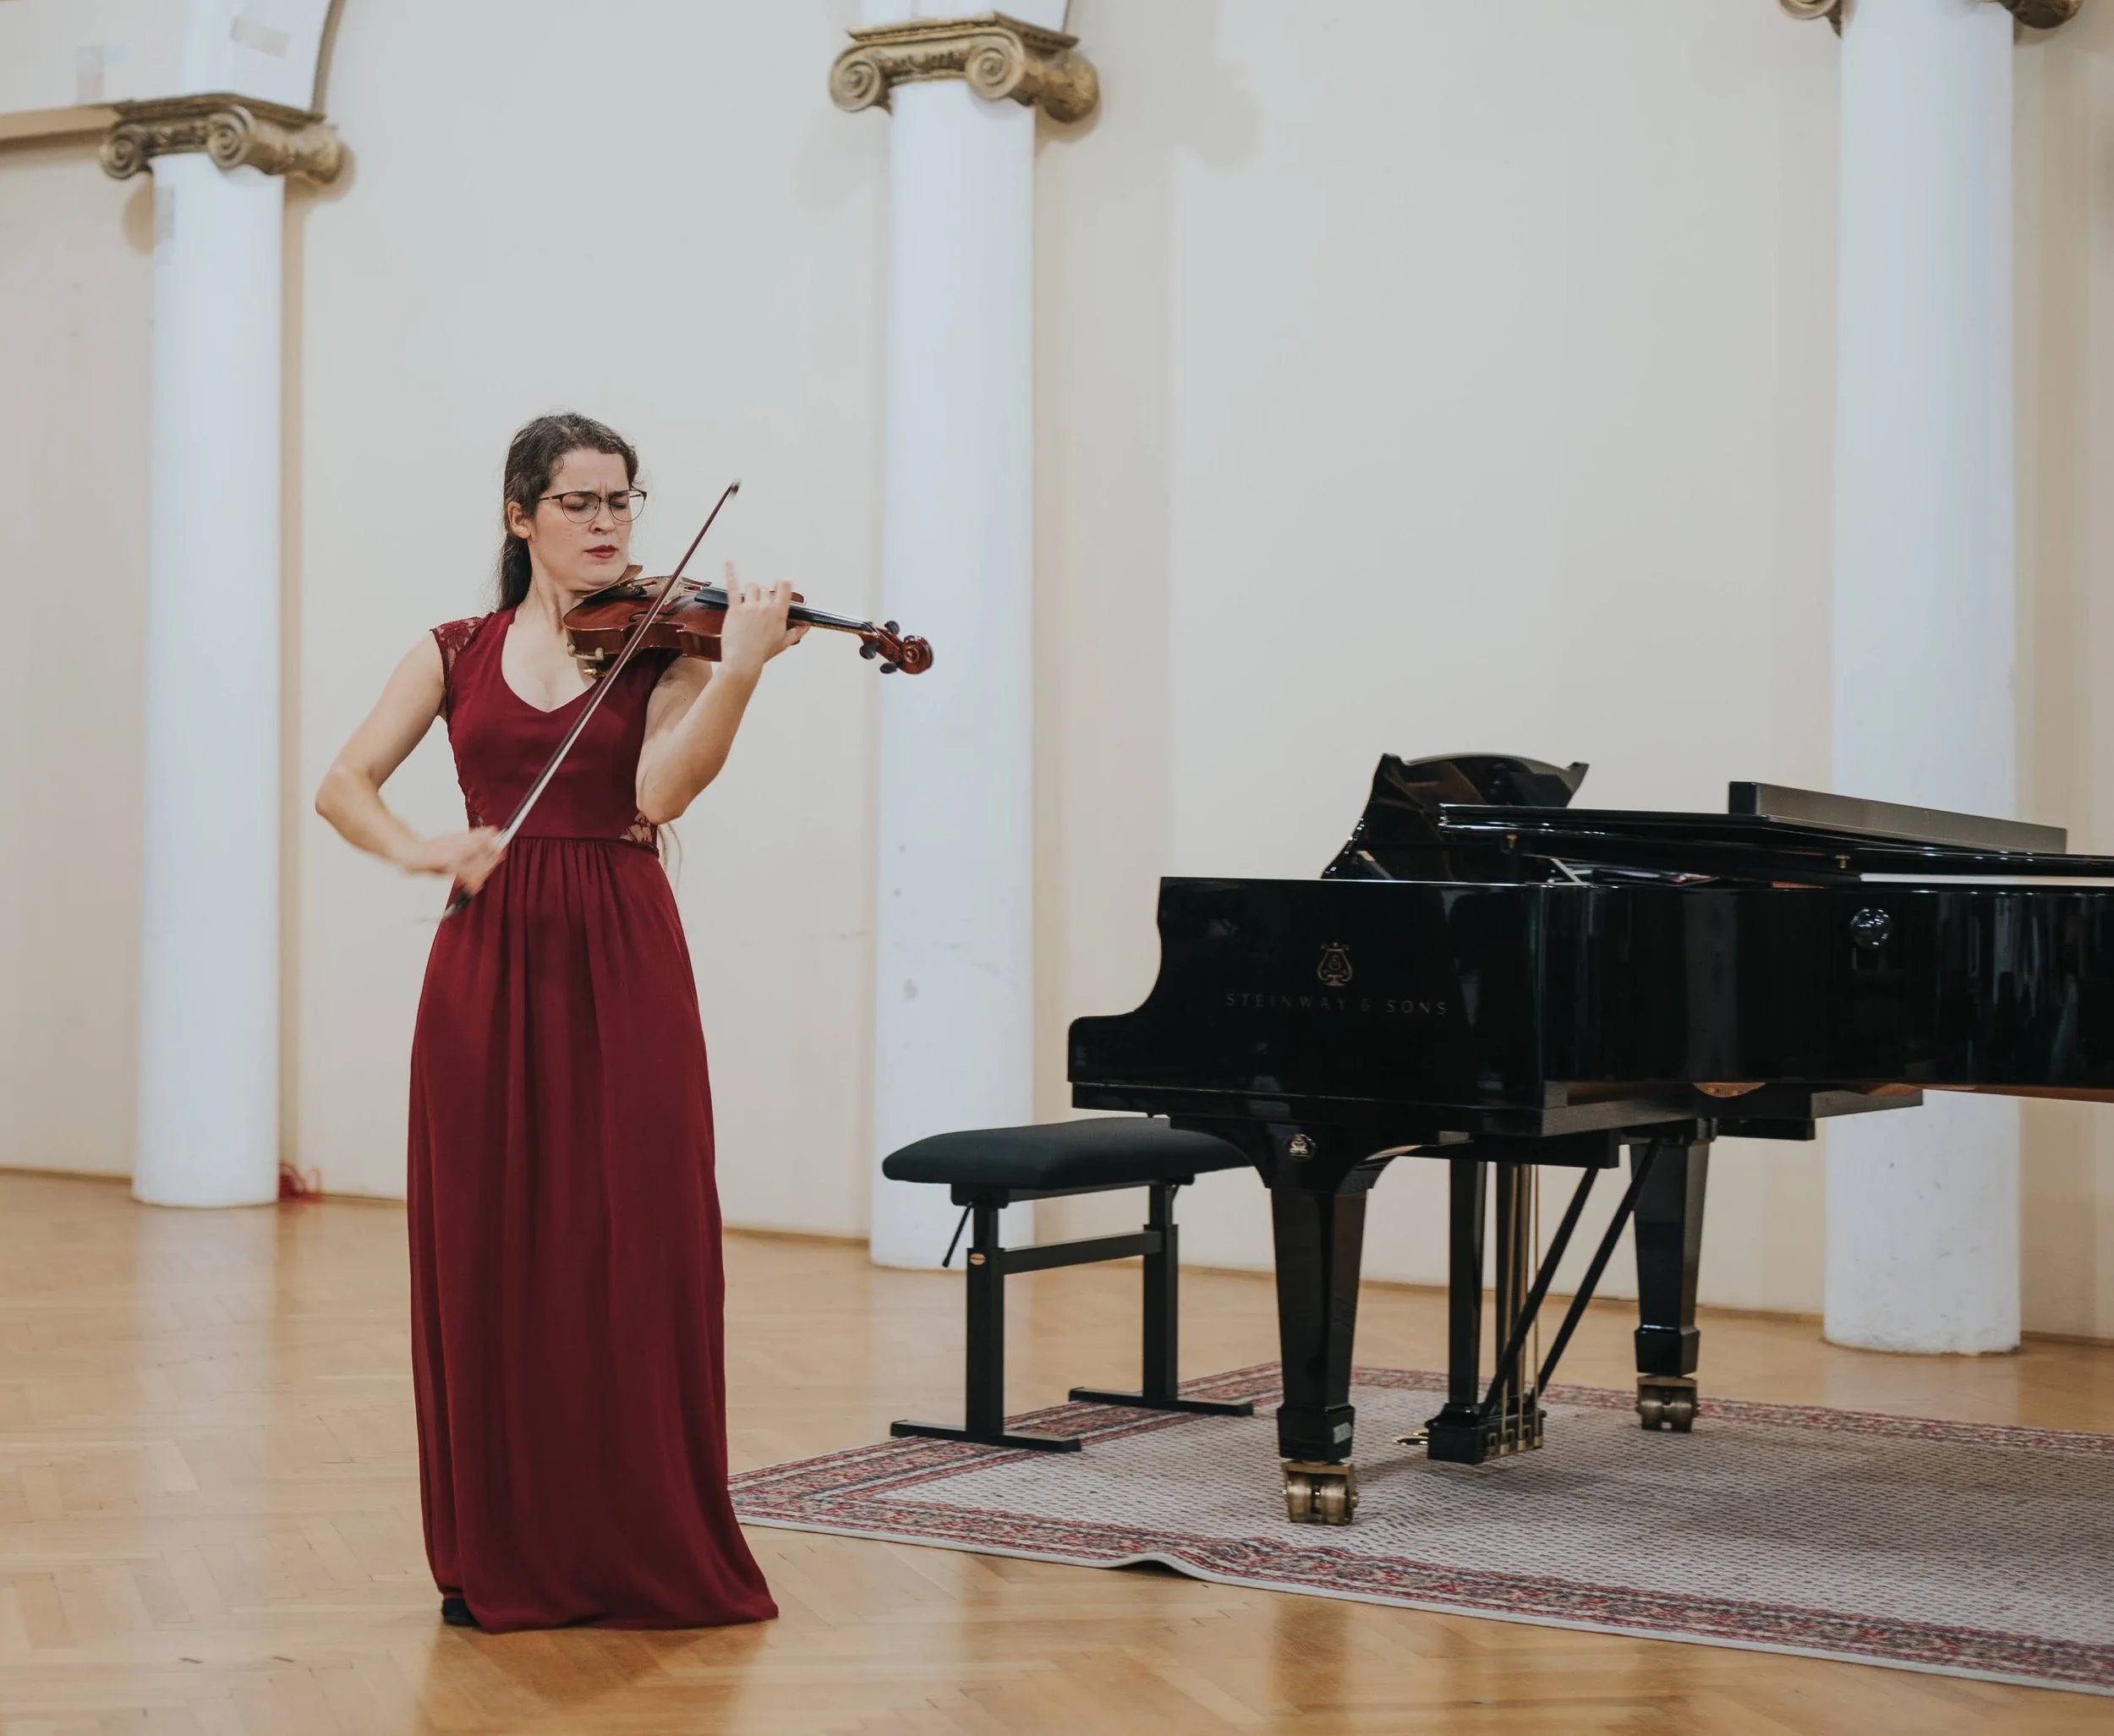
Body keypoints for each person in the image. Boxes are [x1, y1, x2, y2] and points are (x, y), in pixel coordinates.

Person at [314, 412, 802, 1631]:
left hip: (623, 946)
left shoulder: (663, 645)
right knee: (491, 1250)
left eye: (622, 502)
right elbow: (339, 786)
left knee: (635, 1245)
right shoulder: (453, 648)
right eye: (580, 503)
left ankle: (641, 1543)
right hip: (487, 955)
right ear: (520, 515)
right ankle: (500, 1547)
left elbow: (655, 791)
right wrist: (419, 846)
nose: (607, 525)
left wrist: (736, 665)